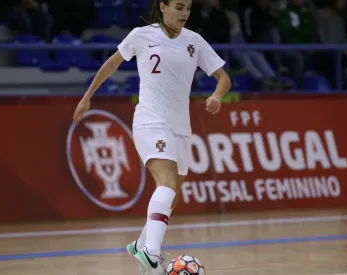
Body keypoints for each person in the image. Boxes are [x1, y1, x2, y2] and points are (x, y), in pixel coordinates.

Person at [72, 0, 231, 274]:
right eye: (179, 7)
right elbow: (112, 63)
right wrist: (88, 97)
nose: (185, 13)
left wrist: (217, 95)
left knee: (172, 197)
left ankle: (140, 245)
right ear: (163, 6)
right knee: (166, 183)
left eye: (188, 8)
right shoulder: (141, 35)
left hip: (181, 127)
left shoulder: (195, 41)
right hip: (150, 121)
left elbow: (224, 77)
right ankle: (151, 253)